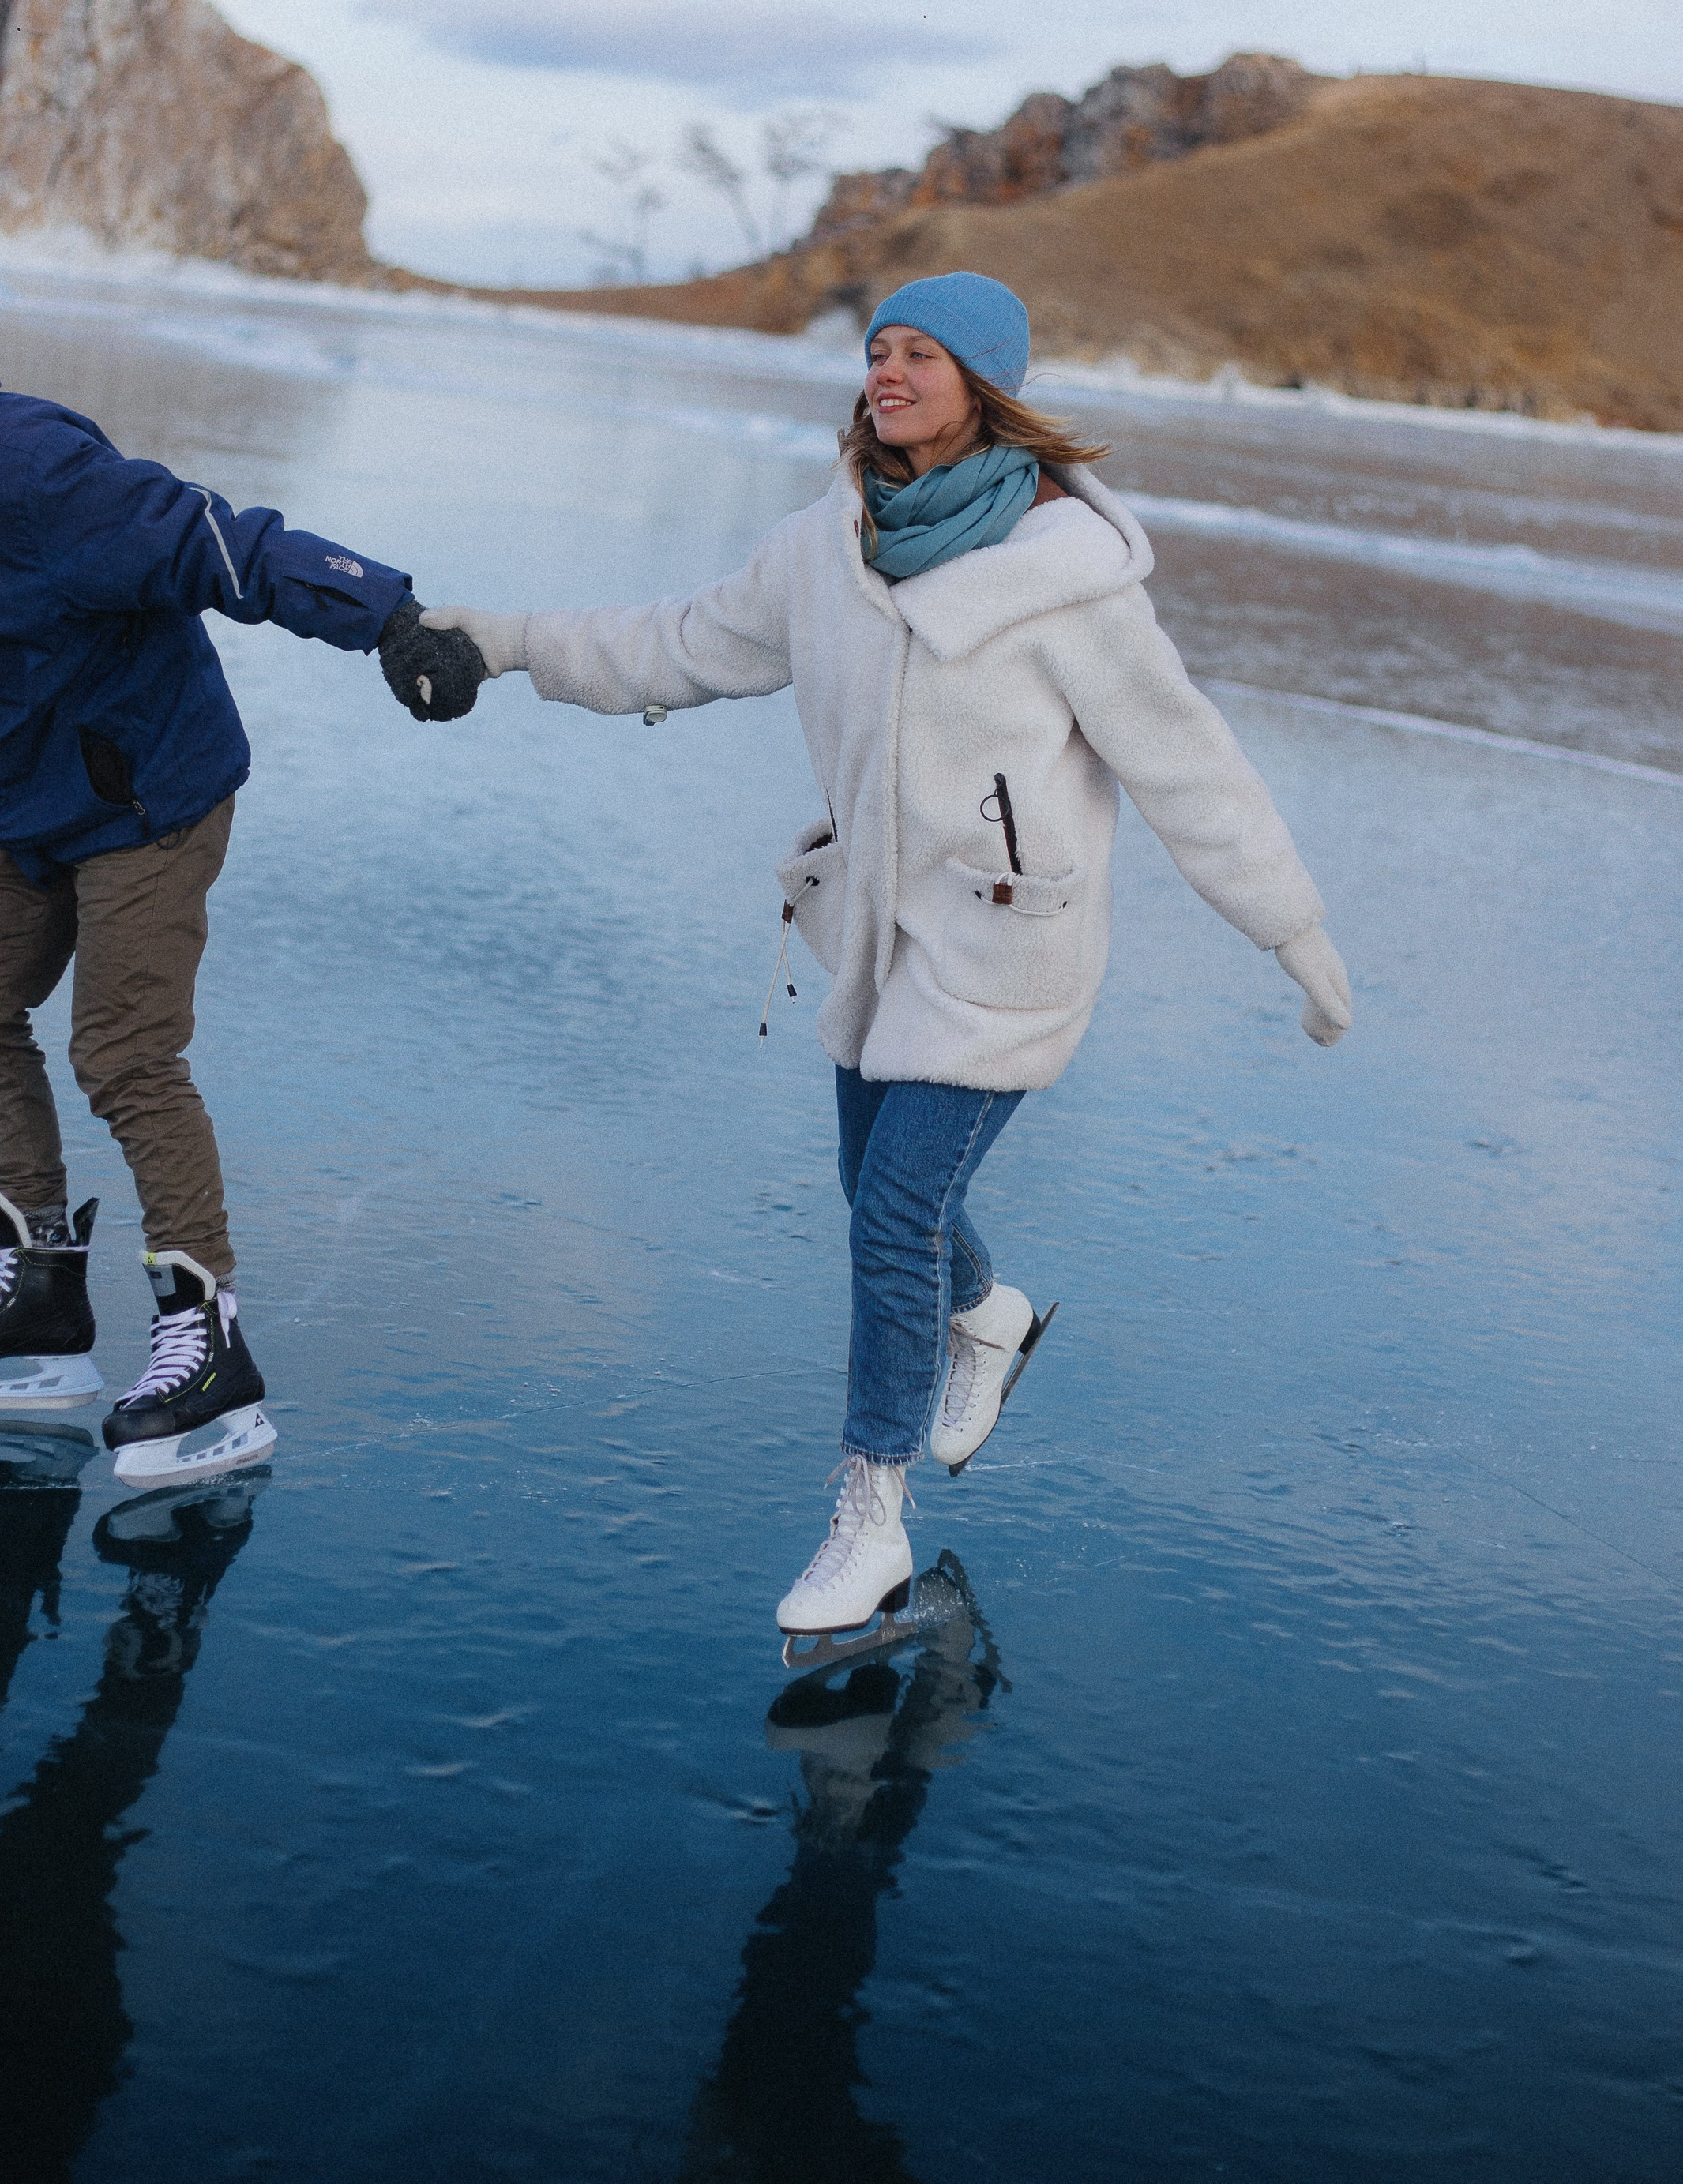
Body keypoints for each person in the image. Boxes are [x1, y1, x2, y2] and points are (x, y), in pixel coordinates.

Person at [420, 271, 1351, 1643]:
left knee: (890, 1214)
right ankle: (988, 1316)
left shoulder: (1064, 577)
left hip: (1006, 950)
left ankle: (871, 1514)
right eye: (877, 352)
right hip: (869, 931)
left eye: (919, 355)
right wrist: (503, 643)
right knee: (872, 1186)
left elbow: (1187, 764)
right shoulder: (826, 545)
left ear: (986, 385)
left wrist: (1292, 930)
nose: (887, 375)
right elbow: (679, 645)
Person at [0, 268, 482, 1469]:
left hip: (146, 794)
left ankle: (206, 1334)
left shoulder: (23, 471)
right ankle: (38, 1288)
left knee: (123, 1052)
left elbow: (222, 547)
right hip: (19, 801)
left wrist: (390, 616)